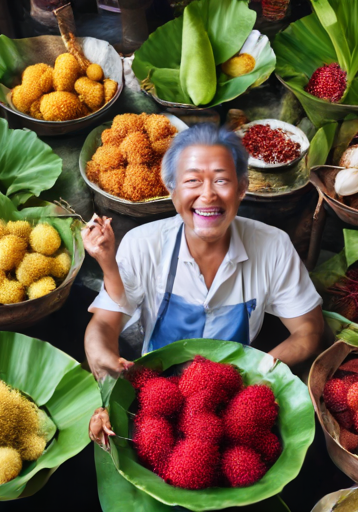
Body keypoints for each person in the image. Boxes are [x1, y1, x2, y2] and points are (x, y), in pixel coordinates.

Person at [82, 123, 325, 445]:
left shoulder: (273, 246)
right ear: (172, 189)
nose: (207, 194)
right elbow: (104, 324)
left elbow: (308, 330)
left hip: (237, 394)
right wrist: (101, 359)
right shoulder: (143, 244)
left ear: (241, 188)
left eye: (221, 180)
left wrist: (260, 377)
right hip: (154, 395)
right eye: (192, 180)